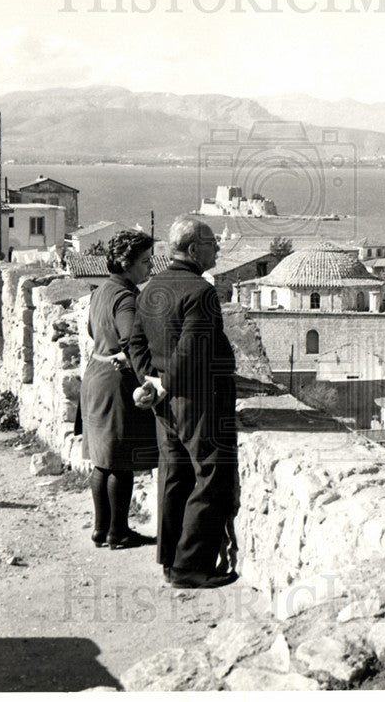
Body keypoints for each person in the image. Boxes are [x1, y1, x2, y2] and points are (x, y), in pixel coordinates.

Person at [129, 217, 239, 589]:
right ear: (194, 250)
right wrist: (165, 385)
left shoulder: (151, 287)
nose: (218, 249)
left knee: (175, 476)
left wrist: (151, 381)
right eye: (212, 243)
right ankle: (190, 566)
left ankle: (168, 558)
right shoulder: (201, 292)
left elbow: (135, 342)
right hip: (198, 401)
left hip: (165, 405)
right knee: (211, 476)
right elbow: (192, 352)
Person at [79, 230, 159, 550]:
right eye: (144, 261)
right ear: (126, 264)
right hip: (116, 383)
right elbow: (131, 338)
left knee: (102, 459)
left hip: (95, 374)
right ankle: (119, 532)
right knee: (121, 462)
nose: (150, 266)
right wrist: (147, 379)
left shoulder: (101, 291)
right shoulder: (126, 296)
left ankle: (101, 529)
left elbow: (89, 329)